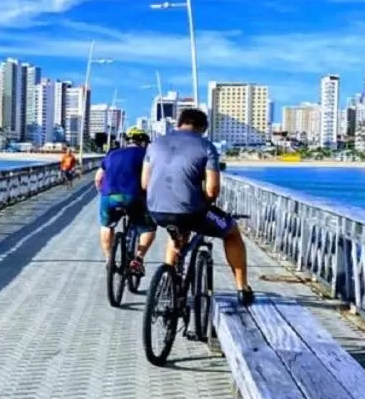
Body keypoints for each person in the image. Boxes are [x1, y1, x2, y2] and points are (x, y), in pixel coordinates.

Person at [141, 108, 254, 306]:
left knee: (175, 233)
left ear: (179, 123)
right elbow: (212, 190)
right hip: (191, 212)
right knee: (231, 232)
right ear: (202, 128)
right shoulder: (206, 146)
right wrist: (204, 205)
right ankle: (242, 288)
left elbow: (144, 183)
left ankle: (168, 280)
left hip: (157, 211)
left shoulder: (155, 144)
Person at [95, 129, 156, 273]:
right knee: (149, 229)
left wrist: (103, 193)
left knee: (106, 225)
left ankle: (109, 259)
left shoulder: (112, 154)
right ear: (143, 142)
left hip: (109, 196)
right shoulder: (147, 155)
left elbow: (98, 178)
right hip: (135, 197)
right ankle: (138, 259)